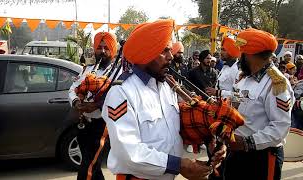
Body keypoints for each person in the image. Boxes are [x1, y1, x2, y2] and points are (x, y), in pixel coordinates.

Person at [102, 19, 226, 180]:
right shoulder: (122, 92)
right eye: (164, 51)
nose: (170, 57)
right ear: (145, 54)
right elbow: (128, 152)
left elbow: (179, 128)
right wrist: (179, 165)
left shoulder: (166, 86)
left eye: (170, 50)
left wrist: (211, 139)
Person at [224, 28, 295, 180]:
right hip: (238, 152)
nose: (239, 58)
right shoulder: (244, 77)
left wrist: (247, 143)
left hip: (261, 157)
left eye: (242, 53)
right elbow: (238, 103)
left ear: (251, 55)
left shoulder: (276, 83)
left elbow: (280, 127)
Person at [69, 31, 118, 180]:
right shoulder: (87, 69)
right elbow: (72, 89)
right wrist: (77, 102)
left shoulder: (117, 72)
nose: (102, 51)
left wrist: (97, 105)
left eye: (106, 48)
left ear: (112, 50)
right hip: (84, 124)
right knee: (92, 165)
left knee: (87, 167)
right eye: (99, 47)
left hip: (102, 126)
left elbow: (118, 97)